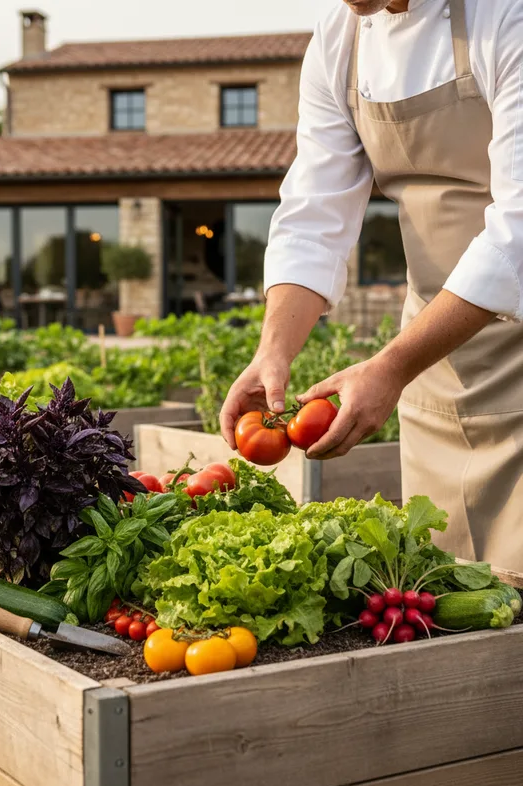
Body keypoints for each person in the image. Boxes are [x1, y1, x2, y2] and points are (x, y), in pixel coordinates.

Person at [220, 0, 523, 571]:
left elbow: (518, 232)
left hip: (474, 343)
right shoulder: (340, 36)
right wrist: (273, 352)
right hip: (435, 354)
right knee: (450, 593)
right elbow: (314, 215)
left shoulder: (503, 14)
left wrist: (390, 367)